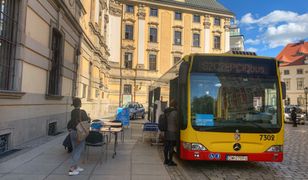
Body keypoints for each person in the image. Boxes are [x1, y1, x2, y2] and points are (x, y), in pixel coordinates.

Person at [67, 98, 90, 176]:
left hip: (72, 132)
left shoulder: (72, 112)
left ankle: (76, 167)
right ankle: (71, 169)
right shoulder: (82, 112)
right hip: (79, 133)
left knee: (75, 149)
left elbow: (72, 121)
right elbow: (87, 121)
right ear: (80, 104)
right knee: (78, 150)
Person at [163, 99, 178, 166]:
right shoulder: (175, 112)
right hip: (172, 131)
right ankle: (170, 161)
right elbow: (177, 122)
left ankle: (166, 160)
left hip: (166, 131)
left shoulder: (166, 111)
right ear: (175, 105)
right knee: (171, 147)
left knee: (166, 146)